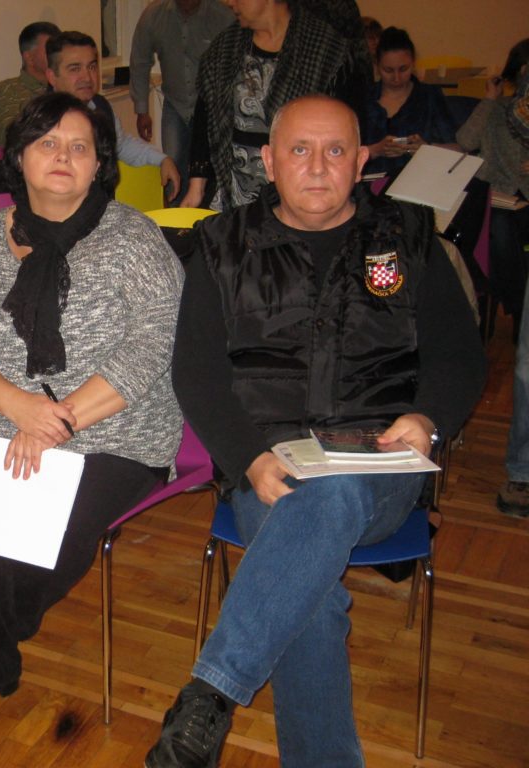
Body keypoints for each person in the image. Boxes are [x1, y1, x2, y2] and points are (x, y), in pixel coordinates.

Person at [147, 95, 486, 767]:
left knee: (334, 492)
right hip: (267, 466)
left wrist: (426, 419)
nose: (318, 166)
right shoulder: (221, 245)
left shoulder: (409, 236)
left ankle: (211, 693)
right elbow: (196, 373)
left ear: (361, 162)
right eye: (299, 150)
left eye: (335, 151)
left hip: (380, 468)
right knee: (314, 598)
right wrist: (247, 458)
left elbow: (459, 357)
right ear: (270, 161)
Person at [0, 91, 183, 729]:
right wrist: (18, 407)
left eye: (79, 146)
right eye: (47, 143)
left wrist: (56, 421)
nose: (63, 156)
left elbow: (154, 344)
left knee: (46, 534)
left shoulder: (134, 238)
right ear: (20, 157)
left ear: (99, 163)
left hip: (114, 428)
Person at [182, 0, 369, 211]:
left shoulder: (326, 51)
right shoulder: (225, 47)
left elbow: (349, 131)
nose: (229, 2)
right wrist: (197, 185)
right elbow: (204, 117)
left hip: (302, 189)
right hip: (233, 190)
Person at [460, 39, 529, 516]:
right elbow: (466, 142)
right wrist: (490, 100)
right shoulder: (501, 112)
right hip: (506, 205)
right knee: (504, 232)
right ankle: (522, 472)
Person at [47, 31, 181, 202]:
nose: (87, 77)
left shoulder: (101, 106)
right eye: (75, 69)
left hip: (102, 207)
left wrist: (162, 160)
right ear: (52, 77)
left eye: (92, 67)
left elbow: (121, 144)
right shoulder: (41, 123)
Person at [129, 0, 234, 204]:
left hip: (213, 110)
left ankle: (206, 218)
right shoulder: (153, 16)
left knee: (210, 172)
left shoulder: (223, 16)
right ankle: (175, 218)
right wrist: (142, 110)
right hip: (175, 106)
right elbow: (139, 62)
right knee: (172, 169)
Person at [363, 27, 461, 176]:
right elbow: (345, 153)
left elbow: (459, 149)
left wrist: (426, 148)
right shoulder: (364, 99)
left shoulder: (430, 96)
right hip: (370, 183)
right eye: (388, 70)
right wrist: (376, 150)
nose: (396, 77)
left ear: (413, 63)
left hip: (419, 180)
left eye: (403, 69)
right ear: (377, 65)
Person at [0, 21, 61, 146]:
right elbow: (10, 138)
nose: (57, 56)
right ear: (29, 58)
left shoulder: (65, 86)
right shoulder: (9, 90)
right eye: (50, 50)